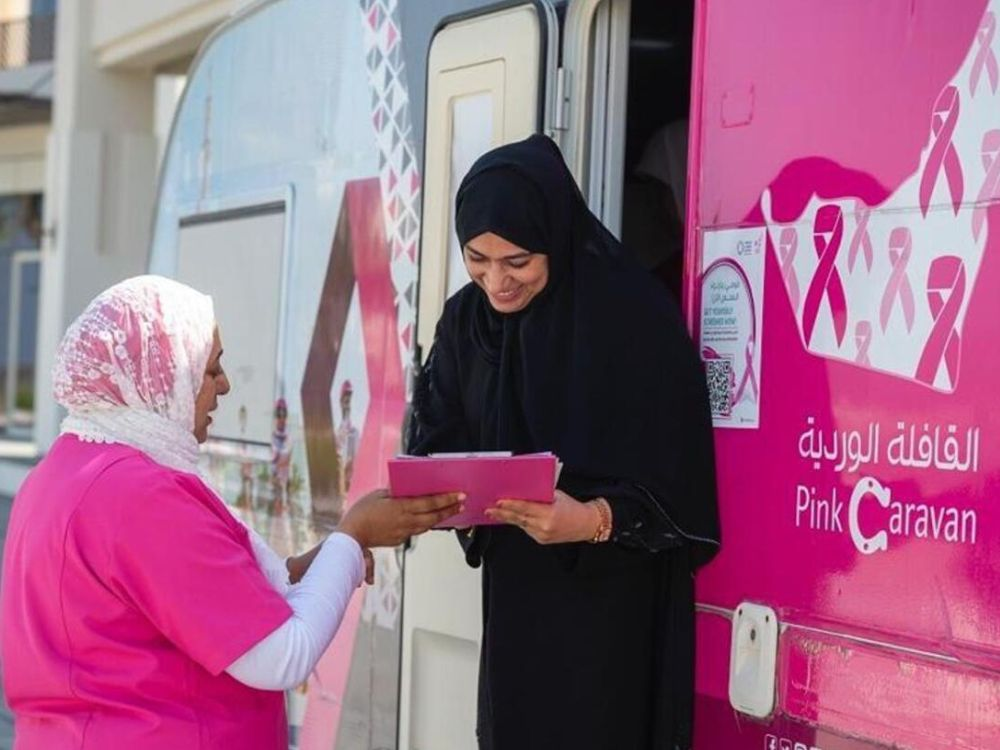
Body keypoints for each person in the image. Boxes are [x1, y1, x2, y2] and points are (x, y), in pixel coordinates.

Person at [0, 275, 462, 749]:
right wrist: (352, 535)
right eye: (210, 368)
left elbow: (188, 599)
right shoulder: (140, 495)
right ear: (163, 375)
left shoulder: (60, 471)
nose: (225, 385)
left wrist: (319, 564)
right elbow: (282, 655)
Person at [407, 135, 720, 750]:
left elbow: (680, 488)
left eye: (517, 261)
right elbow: (435, 435)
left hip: (611, 616)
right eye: (477, 259)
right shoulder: (467, 322)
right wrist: (437, 494)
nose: (495, 282)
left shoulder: (634, 323)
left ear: (556, 234)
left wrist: (592, 520)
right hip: (519, 605)